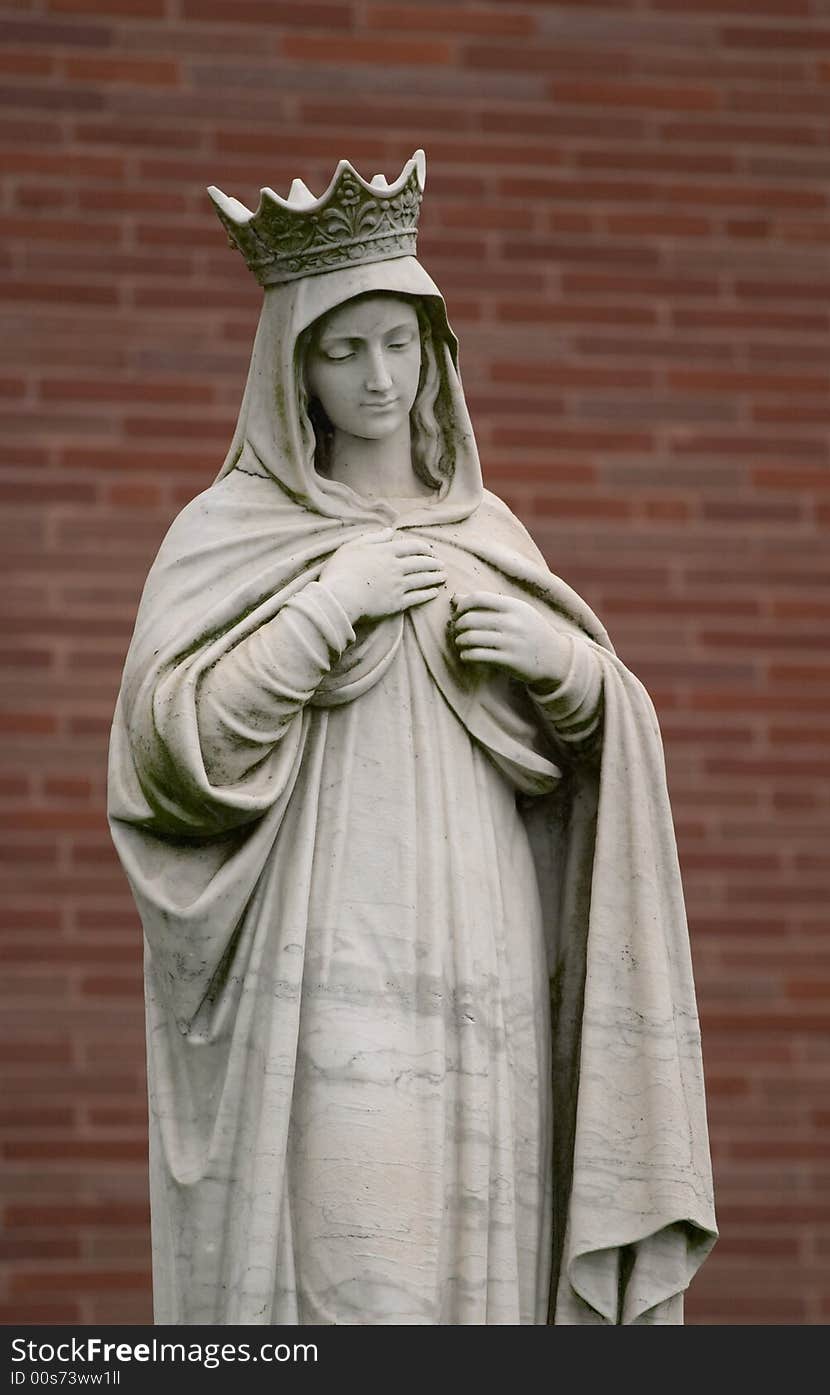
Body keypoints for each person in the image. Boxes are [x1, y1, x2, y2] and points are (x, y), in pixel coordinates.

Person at [108, 151, 716, 1325]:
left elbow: (589, 764)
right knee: (362, 1273)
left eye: (398, 342)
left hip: (488, 958)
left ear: (434, 354)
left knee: (478, 1281)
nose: (376, 376)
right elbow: (170, 753)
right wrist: (330, 603)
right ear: (296, 368)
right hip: (327, 951)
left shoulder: (491, 532)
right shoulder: (229, 533)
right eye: (343, 348)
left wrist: (571, 671)